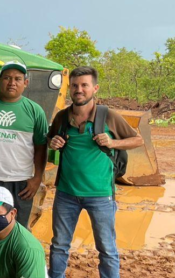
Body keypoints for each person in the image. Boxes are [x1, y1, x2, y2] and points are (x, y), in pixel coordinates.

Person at [47, 66, 143, 278]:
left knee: (107, 249)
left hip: (101, 196)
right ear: (69, 88)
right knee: (59, 245)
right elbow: (49, 140)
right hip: (66, 194)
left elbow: (138, 139)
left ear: (95, 88)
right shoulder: (61, 117)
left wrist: (113, 142)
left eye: (84, 85)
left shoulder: (108, 116)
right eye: (74, 85)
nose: (79, 89)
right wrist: (52, 143)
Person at [0, 61, 49, 228]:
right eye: (7, 78)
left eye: (17, 79)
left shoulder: (35, 111)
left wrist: (37, 179)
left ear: (25, 83)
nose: (12, 82)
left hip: (21, 183)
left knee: (17, 231)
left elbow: (41, 147)